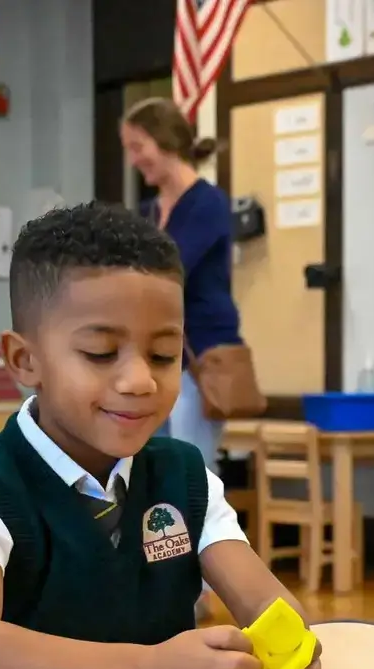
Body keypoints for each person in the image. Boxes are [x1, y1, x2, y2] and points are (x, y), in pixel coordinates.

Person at [0, 202, 321, 669]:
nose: (140, 381)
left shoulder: (185, 479)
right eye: (100, 353)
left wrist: (288, 651)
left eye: (164, 355)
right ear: (24, 360)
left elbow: (269, 606)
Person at [121, 97, 241, 474]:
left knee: (191, 472)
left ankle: (206, 536)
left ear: (166, 141)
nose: (133, 160)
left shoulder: (208, 203)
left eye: (138, 147)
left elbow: (170, 269)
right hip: (154, 360)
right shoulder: (148, 212)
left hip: (199, 359)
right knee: (150, 470)